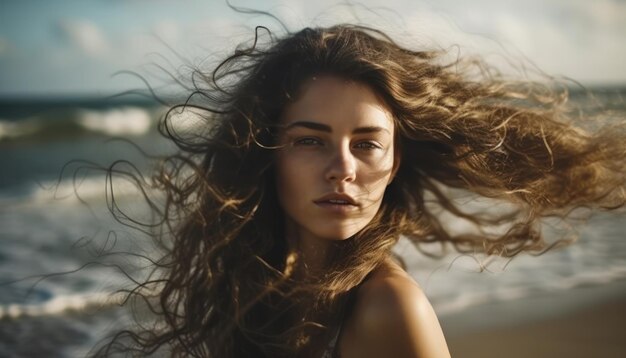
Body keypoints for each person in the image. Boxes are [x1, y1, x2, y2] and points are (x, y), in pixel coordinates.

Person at [96, 24, 625, 357]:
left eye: (367, 144)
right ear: (267, 151)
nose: (342, 168)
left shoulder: (389, 307)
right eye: (310, 140)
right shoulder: (259, 285)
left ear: (394, 162)